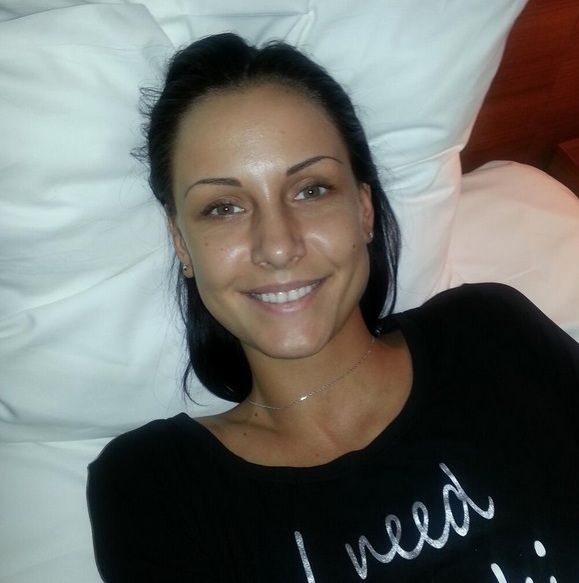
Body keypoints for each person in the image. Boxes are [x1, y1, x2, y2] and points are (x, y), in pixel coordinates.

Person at [87, 33, 579, 582]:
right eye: (223, 207)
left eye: (311, 190)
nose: (278, 246)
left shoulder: (488, 333)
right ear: (181, 243)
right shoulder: (157, 488)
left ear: (364, 209)